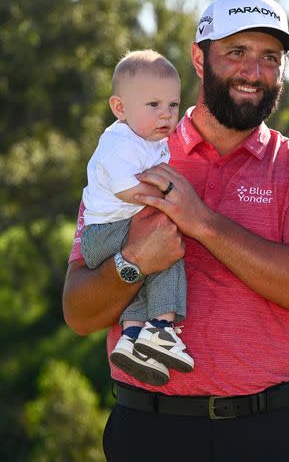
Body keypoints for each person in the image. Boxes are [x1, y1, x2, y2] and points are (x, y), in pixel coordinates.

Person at [62, 0, 289, 461]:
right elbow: (79, 312)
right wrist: (132, 262)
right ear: (199, 58)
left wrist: (202, 223)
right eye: (236, 52)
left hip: (270, 430)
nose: (254, 73)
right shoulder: (131, 152)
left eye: (270, 58)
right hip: (149, 430)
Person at [80, 49, 192, 387]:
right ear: (120, 108)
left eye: (173, 105)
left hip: (116, 229)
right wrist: (171, 199)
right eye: (154, 105)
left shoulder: (148, 139)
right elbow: (129, 191)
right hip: (106, 233)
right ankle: (162, 329)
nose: (166, 115)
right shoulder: (119, 142)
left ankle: (132, 340)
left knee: (142, 277)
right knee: (167, 255)